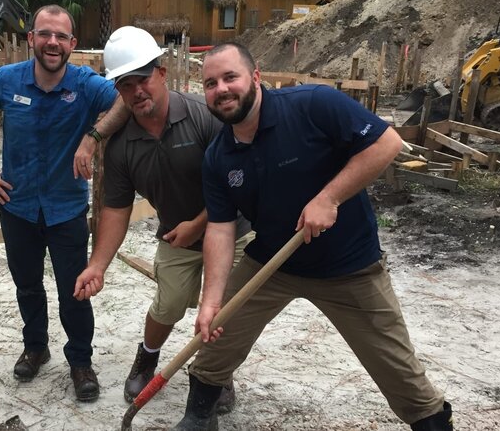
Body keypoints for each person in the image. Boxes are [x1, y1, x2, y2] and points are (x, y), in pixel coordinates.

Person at [171, 42, 453, 431]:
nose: (221, 89)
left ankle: (432, 422)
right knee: (218, 335)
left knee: (396, 368)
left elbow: (386, 143)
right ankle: (200, 413)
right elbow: (220, 227)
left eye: (230, 77)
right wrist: (212, 301)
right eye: (210, 83)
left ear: (255, 77)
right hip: (271, 263)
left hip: (349, 266)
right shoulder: (219, 156)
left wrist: (329, 197)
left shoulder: (313, 105)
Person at [73, 26, 251, 409]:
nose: (137, 91)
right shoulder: (121, 147)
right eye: (126, 85)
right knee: (168, 304)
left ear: (162, 74)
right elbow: (117, 210)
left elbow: (237, 185)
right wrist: (97, 265)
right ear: (118, 91)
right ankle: (148, 355)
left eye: (144, 80)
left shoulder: (204, 118)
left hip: (232, 228)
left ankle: (217, 374)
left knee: (224, 309)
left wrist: (197, 226)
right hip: (177, 237)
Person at [0, 5, 127, 402]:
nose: (52, 43)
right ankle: (36, 346)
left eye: (60, 36)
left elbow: (124, 102)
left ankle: (80, 361)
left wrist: (91, 137)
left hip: (66, 208)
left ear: (72, 44)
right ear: (31, 39)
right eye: (44, 34)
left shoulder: (86, 84)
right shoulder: (7, 80)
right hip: (16, 206)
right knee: (27, 285)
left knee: (75, 288)